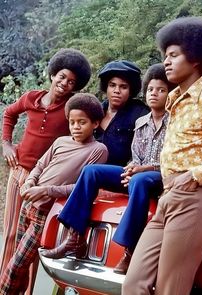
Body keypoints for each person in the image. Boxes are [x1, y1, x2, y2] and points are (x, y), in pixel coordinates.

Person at [122, 16, 202, 295]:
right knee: (133, 284)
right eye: (165, 56)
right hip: (169, 197)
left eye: (173, 55)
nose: (166, 62)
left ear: (195, 58)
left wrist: (194, 175)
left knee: (169, 290)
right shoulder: (175, 102)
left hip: (197, 199)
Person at [41, 63, 175, 276]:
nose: (154, 94)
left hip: (161, 176)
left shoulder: (176, 122)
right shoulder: (141, 122)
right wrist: (132, 168)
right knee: (92, 171)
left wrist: (142, 169)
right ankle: (75, 237)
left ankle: (129, 251)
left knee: (139, 180)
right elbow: (135, 156)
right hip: (139, 171)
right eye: (151, 89)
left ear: (171, 94)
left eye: (161, 90)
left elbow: (173, 160)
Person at [0, 48, 91, 294]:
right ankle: (5, 287)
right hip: (19, 171)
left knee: (34, 239)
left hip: (43, 179)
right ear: (52, 74)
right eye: (62, 77)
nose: (64, 83)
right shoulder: (31, 98)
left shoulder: (70, 108)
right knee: (10, 233)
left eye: (71, 81)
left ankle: (28, 290)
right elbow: (9, 114)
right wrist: (7, 144)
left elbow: (88, 120)